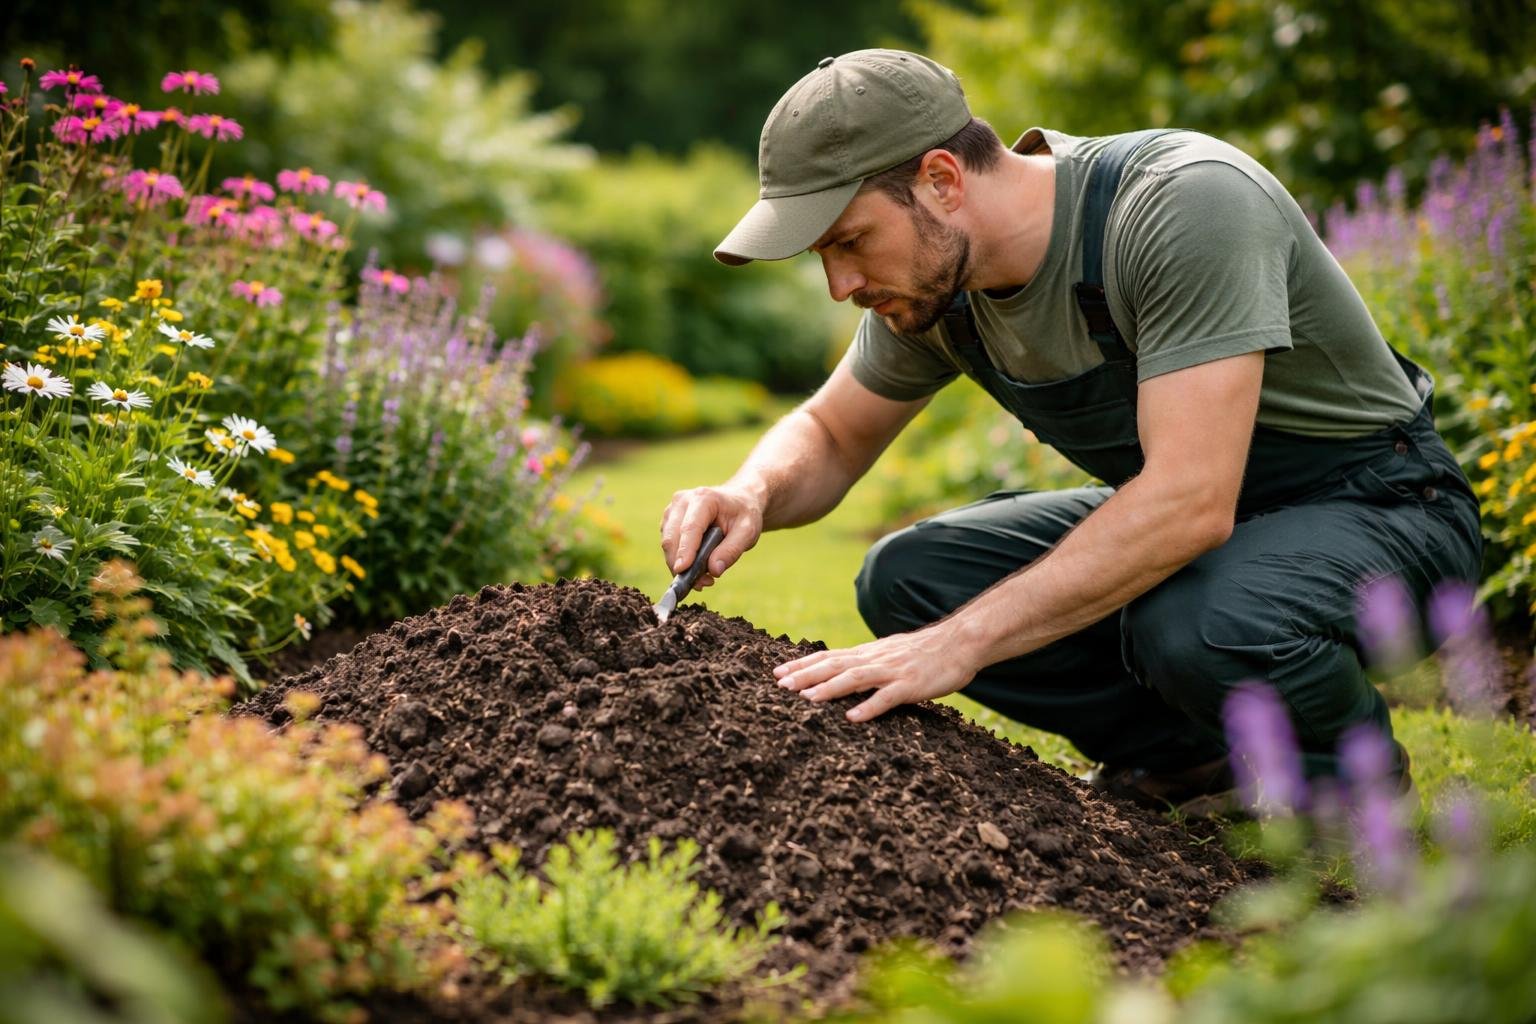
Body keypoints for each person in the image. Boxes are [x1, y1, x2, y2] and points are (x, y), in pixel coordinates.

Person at [659, 48, 1482, 811]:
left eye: (849, 241)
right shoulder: (937, 291)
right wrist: (750, 491)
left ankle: (1348, 787)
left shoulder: (1180, 204)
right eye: (822, 256)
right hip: (1215, 526)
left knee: (1197, 622)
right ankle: (1187, 761)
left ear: (942, 180)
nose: (841, 284)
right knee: (910, 579)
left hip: (1381, 507)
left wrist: (959, 644)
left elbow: (1190, 501)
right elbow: (834, 433)